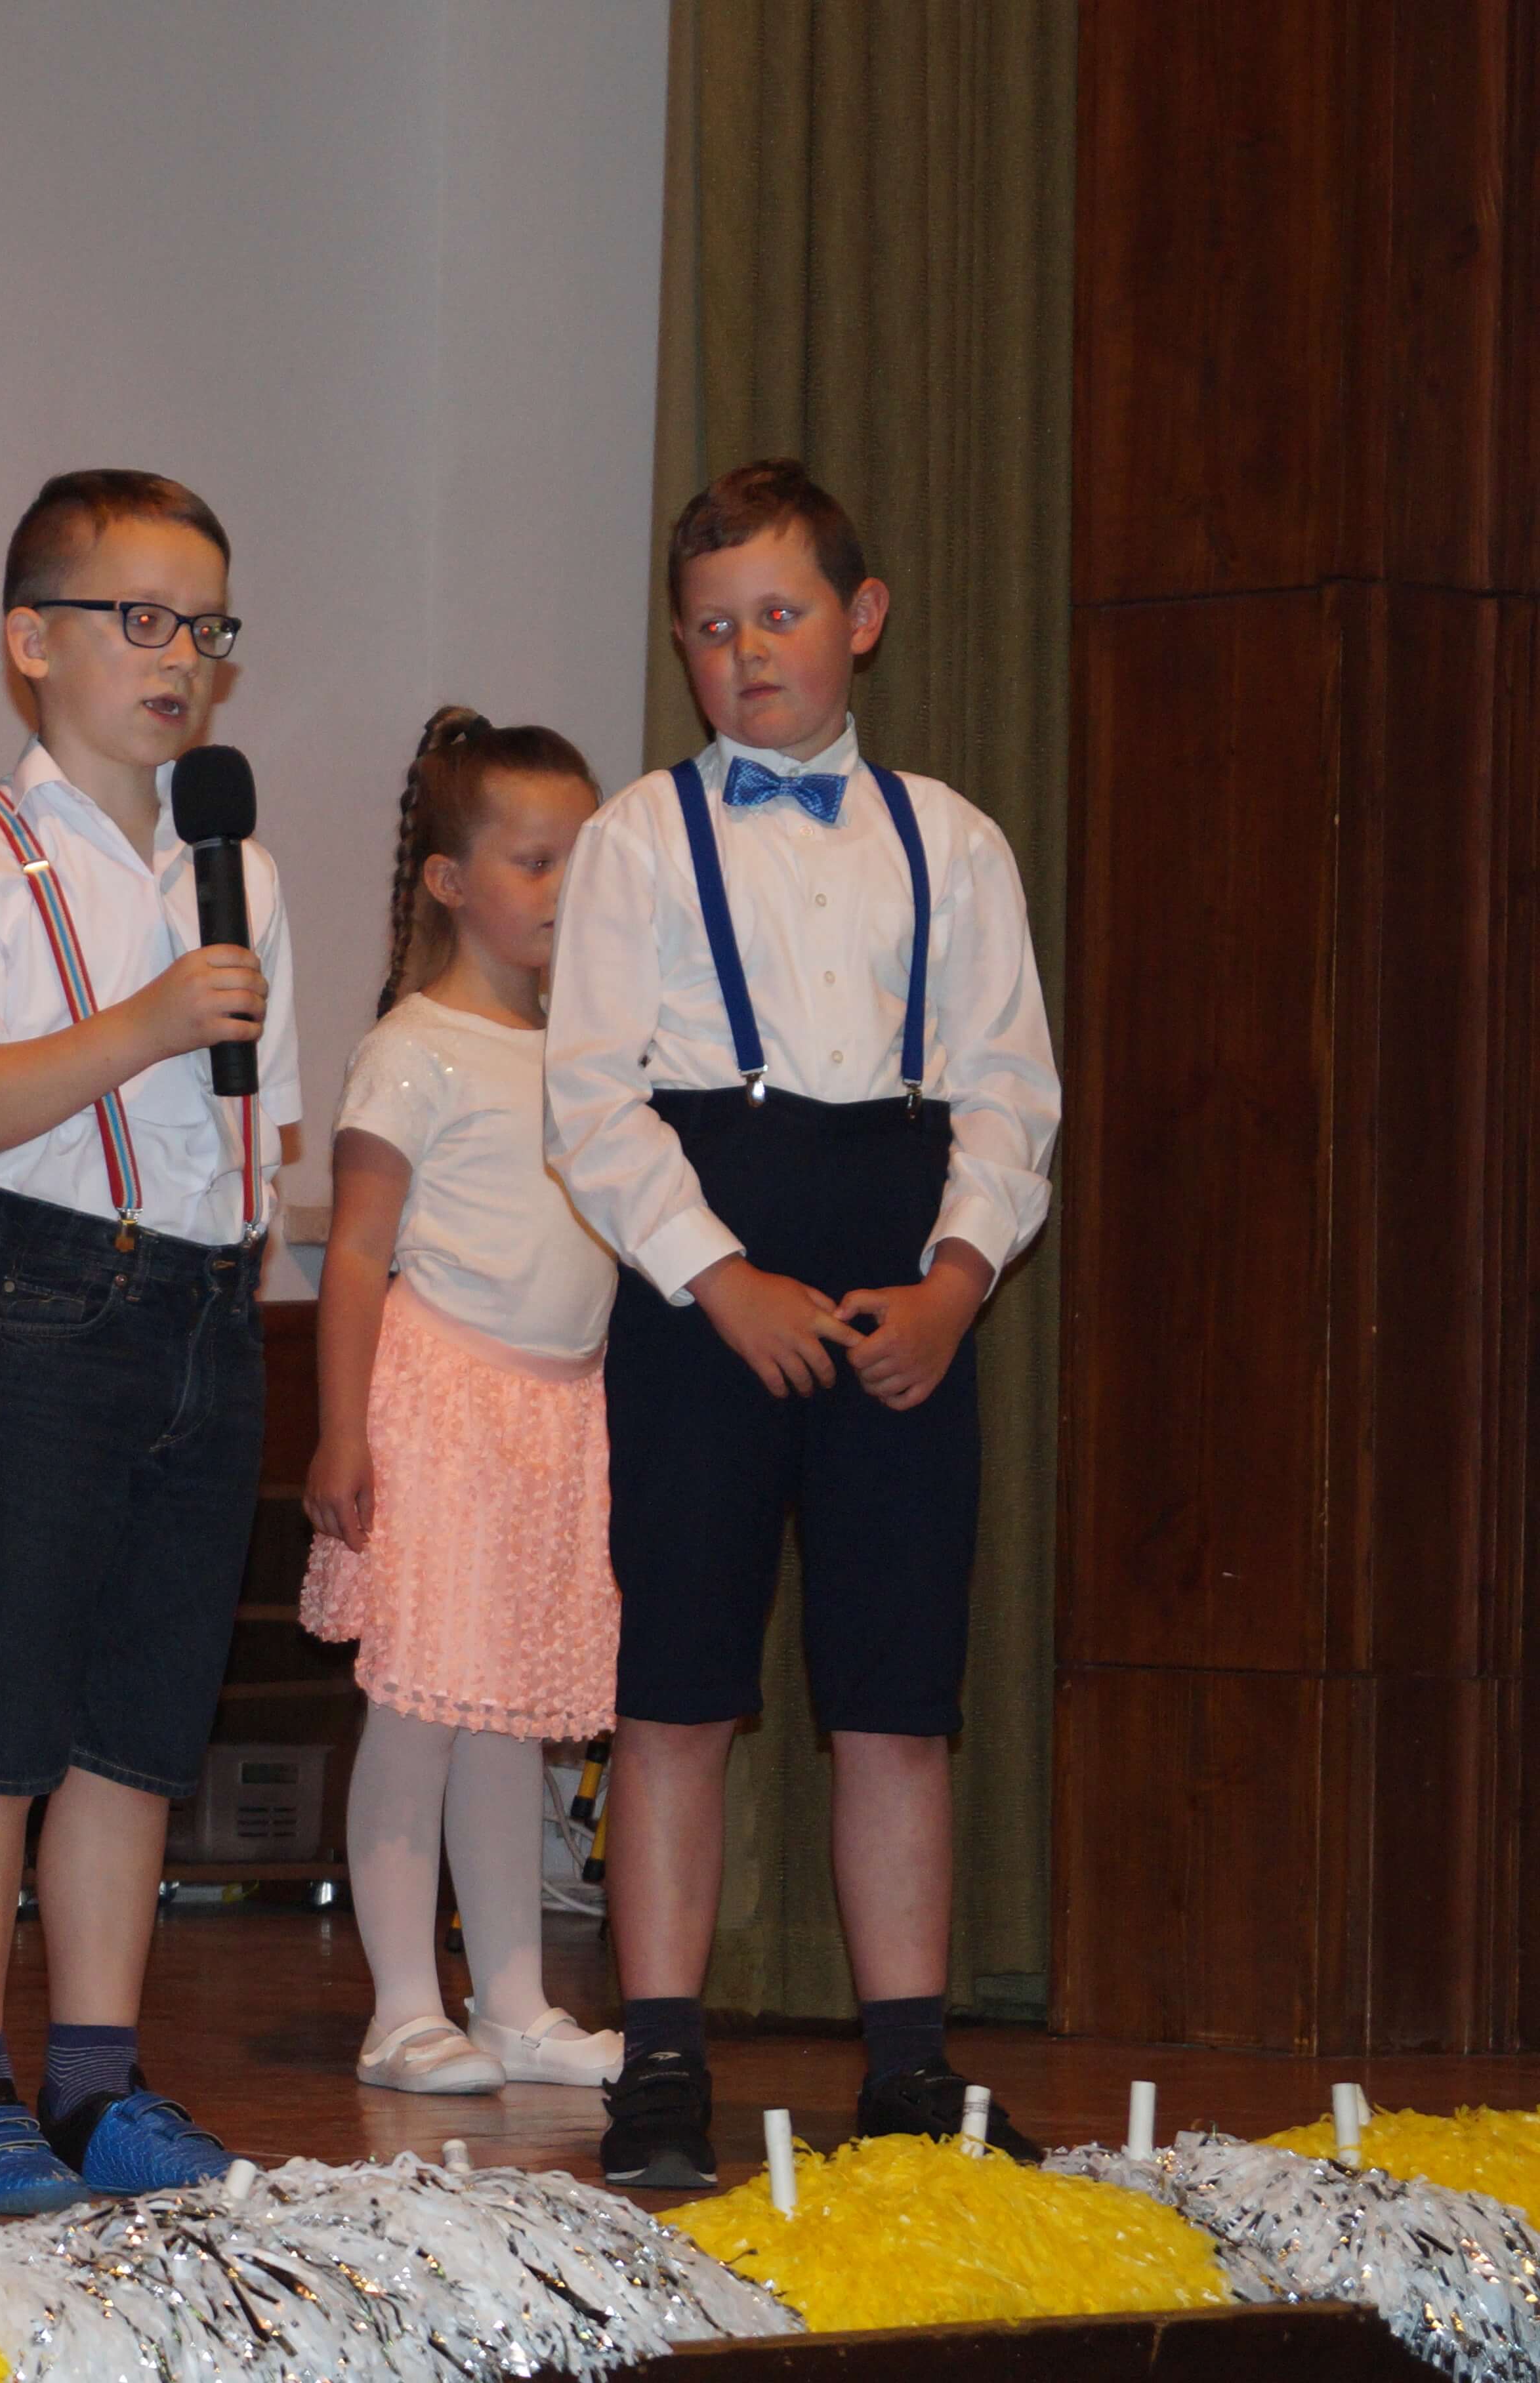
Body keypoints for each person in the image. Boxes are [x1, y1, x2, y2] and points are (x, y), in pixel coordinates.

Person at [544, 459, 1059, 2189]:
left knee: (897, 1697)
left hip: (903, 1278)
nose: (747, 653)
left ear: (863, 619)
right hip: (707, 1286)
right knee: (677, 1687)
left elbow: (1009, 1094)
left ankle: (909, 2068)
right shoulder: (636, 838)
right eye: (711, 629)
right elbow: (592, 1103)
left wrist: (959, 1281)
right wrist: (717, 1273)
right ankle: (662, 2062)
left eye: (779, 615)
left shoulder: (954, 839)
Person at [0, 469, 299, 2212]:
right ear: (30, 642)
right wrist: (141, 1026)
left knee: (138, 1733)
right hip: (51, 1311)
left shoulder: (238, 869)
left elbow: (257, 1126)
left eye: (206, 627)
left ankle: (98, 2086)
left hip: (208, 1312)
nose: (180, 657)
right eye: (141, 619)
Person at [301, 707, 619, 2098]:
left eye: (582, 862)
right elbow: (355, 1251)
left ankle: (514, 2004)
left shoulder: (591, 1051)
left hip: (555, 1416)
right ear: (448, 880)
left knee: (508, 1716)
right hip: (440, 1406)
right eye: (535, 862)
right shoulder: (413, 1047)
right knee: (421, 1710)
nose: (564, 890)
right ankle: (399, 2011)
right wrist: (341, 1428)